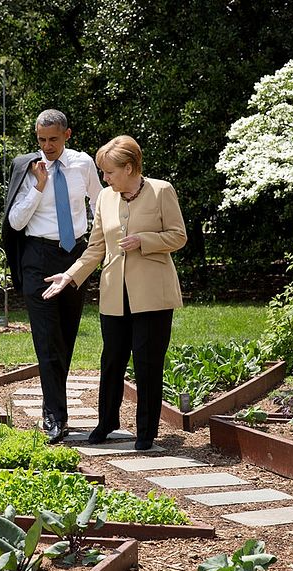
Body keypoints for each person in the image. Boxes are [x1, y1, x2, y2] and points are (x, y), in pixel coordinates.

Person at [42, 135, 186, 450]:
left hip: (152, 295)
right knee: (111, 362)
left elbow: (178, 236)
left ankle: (146, 431)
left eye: (109, 172)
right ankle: (106, 423)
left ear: (130, 167)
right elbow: (95, 249)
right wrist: (69, 275)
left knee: (148, 363)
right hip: (113, 295)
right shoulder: (106, 198)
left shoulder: (162, 191)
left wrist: (145, 240)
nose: (104, 179)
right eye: (103, 173)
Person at [2, 109, 102, 443]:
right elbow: (15, 222)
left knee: (65, 338)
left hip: (73, 258)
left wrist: (99, 240)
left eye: (53, 139)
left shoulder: (83, 164)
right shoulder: (27, 169)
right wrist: (39, 187)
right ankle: (55, 416)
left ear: (67, 135)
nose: (47, 146)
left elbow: (100, 202)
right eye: (41, 139)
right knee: (46, 340)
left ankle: (55, 407)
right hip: (37, 257)